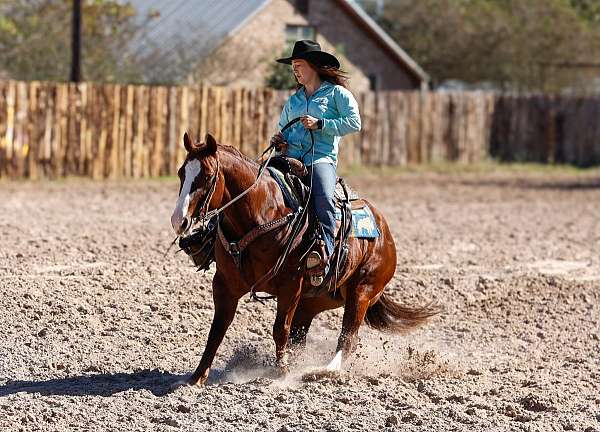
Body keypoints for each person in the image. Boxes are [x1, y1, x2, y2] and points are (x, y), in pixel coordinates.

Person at [270, 40, 362, 286]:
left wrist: (321, 124)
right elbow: (284, 131)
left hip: (320, 159)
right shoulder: (294, 100)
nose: (295, 70)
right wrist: (280, 141)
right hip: (289, 158)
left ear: (314, 66)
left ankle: (325, 251)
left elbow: (354, 122)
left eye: (299, 65)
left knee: (322, 196)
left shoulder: (337, 94)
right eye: (293, 67)